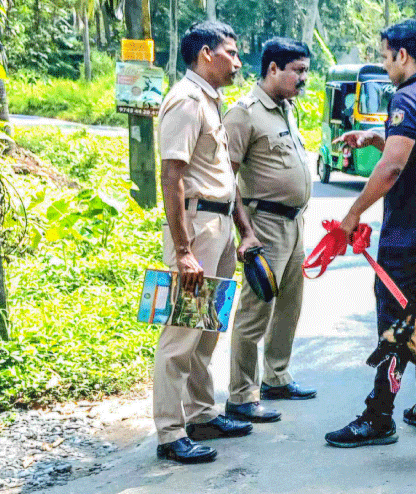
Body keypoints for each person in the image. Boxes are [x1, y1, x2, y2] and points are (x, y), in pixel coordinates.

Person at [324, 19, 416, 448]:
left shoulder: (407, 96)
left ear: (403, 55)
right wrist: (372, 136)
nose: (386, 67)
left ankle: (380, 417)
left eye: (386, 58)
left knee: (396, 327)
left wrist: (350, 216)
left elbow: (394, 167)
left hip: (405, 239)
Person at [154, 21, 258, 464]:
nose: (237, 62)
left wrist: (240, 229)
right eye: (230, 53)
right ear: (204, 55)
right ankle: (169, 432)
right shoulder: (186, 100)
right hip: (195, 229)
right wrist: (182, 250)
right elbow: (172, 176)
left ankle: (199, 414)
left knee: (207, 330)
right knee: (180, 334)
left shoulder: (211, 103)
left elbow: (220, 176)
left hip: (217, 227)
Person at [222, 37, 316, 423]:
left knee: (289, 305)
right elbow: (226, 179)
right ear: (273, 69)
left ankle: (276, 376)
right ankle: (242, 395)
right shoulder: (243, 114)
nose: (304, 79)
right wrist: (246, 233)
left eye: (306, 71)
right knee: (256, 308)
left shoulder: (286, 109)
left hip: (294, 224)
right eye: (298, 70)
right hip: (264, 224)